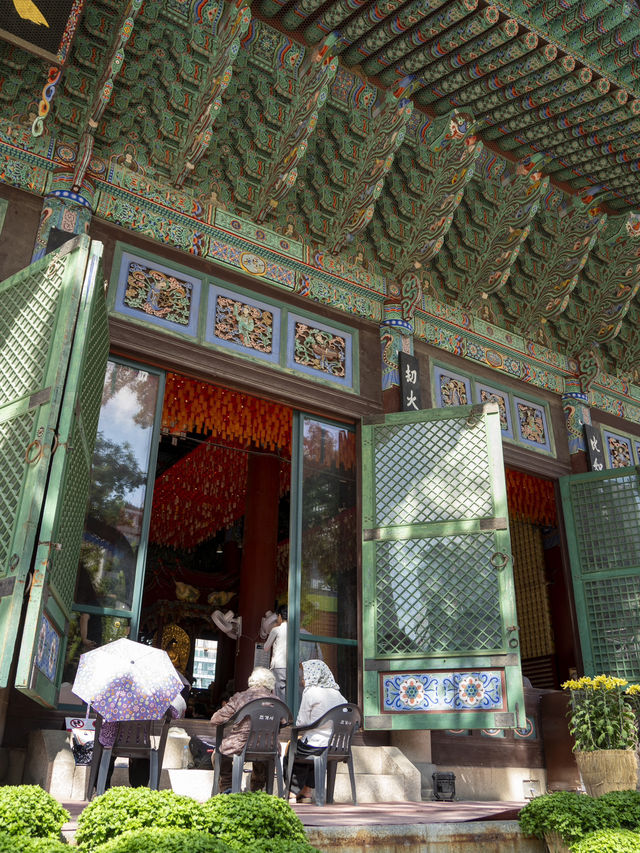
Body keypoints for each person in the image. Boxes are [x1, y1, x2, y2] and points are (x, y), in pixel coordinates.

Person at [209, 666, 276, 793]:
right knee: (262, 750)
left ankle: (228, 787)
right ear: (271, 683)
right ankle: (257, 789)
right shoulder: (275, 701)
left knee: (218, 754)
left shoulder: (241, 697)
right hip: (269, 746)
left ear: (251, 680)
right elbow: (284, 721)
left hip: (239, 744)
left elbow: (215, 719)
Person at [288, 659, 347, 803]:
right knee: (313, 751)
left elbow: (301, 722)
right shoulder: (338, 695)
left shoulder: (311, 692)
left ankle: (291, 793)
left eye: (305, 675)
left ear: (313, 675)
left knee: (293, 749)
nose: (303, 678)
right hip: (337, 746)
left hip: (316, 744)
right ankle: (307, 792)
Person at [263, 605, 287, 701]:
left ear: (280, 616)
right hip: (292, 667)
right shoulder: (295, 631)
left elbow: (266, 647)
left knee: (278, 696)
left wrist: (274, 627)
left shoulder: (276, 630)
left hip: (278, 666)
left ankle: (280, 714)